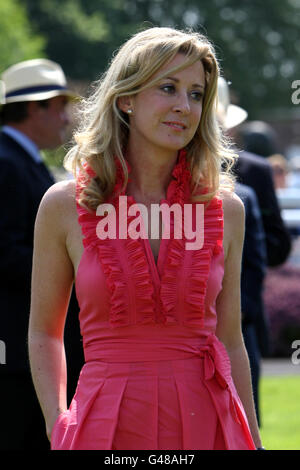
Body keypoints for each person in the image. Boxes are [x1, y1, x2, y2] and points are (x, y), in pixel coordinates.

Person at [28, 27, 263, 450]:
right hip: (104, 422)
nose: (184, 107)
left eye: (196, 94)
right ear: (126, 99)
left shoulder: (226, 210)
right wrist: (57, 423)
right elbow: (45, 331)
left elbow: (230, 338)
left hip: (208, 419)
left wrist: (254, 440)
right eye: (168, 88)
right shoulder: (64, 204)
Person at [0, 59, 84, 450]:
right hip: (15, 351)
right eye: (59, 107)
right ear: (36, 107)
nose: (66, 119)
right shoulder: (6, 163)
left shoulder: (21, 160)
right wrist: (69, 269)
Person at [217, 77, 291, 426]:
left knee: (241, 426)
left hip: (239, 324)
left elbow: (276, 247)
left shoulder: (254, 175)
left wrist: (241, 241)